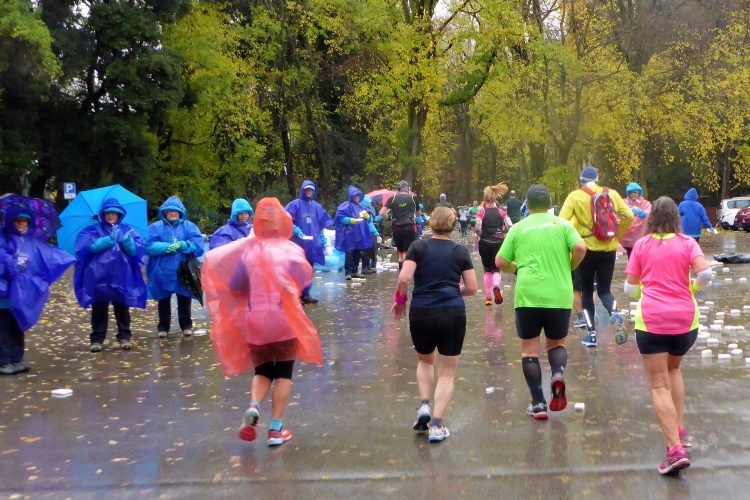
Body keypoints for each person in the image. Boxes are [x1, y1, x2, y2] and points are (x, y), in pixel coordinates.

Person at [202, 197, 322, 446]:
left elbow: (235, 285)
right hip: (284, 318)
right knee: (284, 373)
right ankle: (275, 430)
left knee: (263, 370)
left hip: (255, 319)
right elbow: (303, 280)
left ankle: (254, 406)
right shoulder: (291, 250)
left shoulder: (249, 252)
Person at [623, 196, 711, 474]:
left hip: (652, 322)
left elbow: (629, 290)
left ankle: (674, 450)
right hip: (685, 321)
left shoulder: (642, 245)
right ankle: (679, 429)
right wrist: (692, 286)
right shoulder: (687, 243)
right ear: (676, 218)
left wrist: (646, 289)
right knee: (674, 369)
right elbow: (706, 275)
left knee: (659, 385)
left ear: (651, 219)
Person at [497, 185, 586, 419]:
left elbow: (500, 261)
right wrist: (571, 266)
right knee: (556, 344)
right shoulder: (563, 225)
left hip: (528, 295)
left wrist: (516, 269)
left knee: (529, 351)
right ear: (550, 203)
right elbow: (580, 247)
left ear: (527, 204)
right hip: (558, 293)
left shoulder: (518, 228)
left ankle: (538, 404)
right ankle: (557, 374)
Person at [392, 207, 478, 442]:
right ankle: (437, 425)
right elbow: (472, 288)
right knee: (447, 371)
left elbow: (404, 277)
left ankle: (424, 405)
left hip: (421, 311)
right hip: (452, 312)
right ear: (453, 224)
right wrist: (454, 290)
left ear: (431, 223)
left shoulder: (418, 247)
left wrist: (400, 301)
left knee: (425, 360)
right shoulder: (459, 251)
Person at [559, 167, 633, 348]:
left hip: (586, 249)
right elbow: (628, 215)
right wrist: (616, 235)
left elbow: (562, 222)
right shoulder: (612, 194)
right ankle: (614, 312)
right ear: (598, 179)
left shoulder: (575, 196)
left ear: (581, 180)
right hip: (609, 248)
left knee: (586, 291)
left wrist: (571, 241)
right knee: (604, 290)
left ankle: (591, 335)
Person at [0, 204, 75, 374]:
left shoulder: (30, 242)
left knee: (17, 326)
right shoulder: (3, 239)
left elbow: (48, 256)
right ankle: (3, 362)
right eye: (17, 221)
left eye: (24, 221)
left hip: (21, 294)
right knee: (3, 328)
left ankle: (16, 359)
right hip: (3, 294)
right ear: (10, 221)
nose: (21, 224)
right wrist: (10, 264)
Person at [74, 198, 147, 352]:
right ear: (103, 214)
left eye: (114, 213)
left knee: (122, 305)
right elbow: (87, 248)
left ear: (119, 214)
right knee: (99, 307)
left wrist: (128, 243)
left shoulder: (127, 229)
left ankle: (125, 336)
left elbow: (136, 252)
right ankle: (97, 339)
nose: (110, 215)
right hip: (98, 274)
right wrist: (106, 240)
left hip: (121, 274)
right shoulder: (92, 230)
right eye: (107, 213)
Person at [145, 196, 205, 338]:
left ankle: (186, 326)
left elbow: (198, 246)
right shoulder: (155, 227)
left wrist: (185, 245)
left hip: (184, 269)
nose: (172, 213)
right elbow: (148, 245)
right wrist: (166, 247)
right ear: (164, 212)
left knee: (184, 297)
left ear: (180, 212)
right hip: (162, 270)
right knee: (163, 299)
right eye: (170, 211)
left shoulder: (189, 226)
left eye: (175, 211)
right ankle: (163, 327)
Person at [285, 180, 334, 304]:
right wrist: (296, 230)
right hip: (297, 245)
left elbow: (321, 226)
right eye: (306, 190)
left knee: (308, 270)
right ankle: (295, 296)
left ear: (314, 191)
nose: (308, 192)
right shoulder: (294, 205)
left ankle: (305, 295)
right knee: (296, 271)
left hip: (312, 246)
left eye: (311, 190)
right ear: (303, 190)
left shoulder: (316, 207)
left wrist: (324, 243)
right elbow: (287, 221)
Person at [474, 183, 512, 306]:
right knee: (496, 269)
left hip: (485, 242)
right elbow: (510, 226)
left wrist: (479, 233)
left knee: (487, 269)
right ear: (495, 198)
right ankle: (496, 285)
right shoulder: (501, 212)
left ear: (484, 198)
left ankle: (489, 297)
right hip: (499, 242)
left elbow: (477, 227)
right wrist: (502, 232)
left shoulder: (481, 213)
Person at [379, 181, 421, 271]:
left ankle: (401, 273)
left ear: (398, 189)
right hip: (409, 226)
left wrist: (389, 219)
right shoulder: (413, 198)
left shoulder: (393, 198)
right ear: (408, 189)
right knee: (407, 252)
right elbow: (418, 215)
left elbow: (382, 213)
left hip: (397, 227)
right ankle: (407, 273)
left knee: (400, 253)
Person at [335, 186, 373, 280]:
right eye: (355, 196)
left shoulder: (361, 206)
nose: (357, 198)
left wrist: (367, 217)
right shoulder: (345, 206)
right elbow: (340, 218)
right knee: (349, 253)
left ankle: (355, 271)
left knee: (357, 253)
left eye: (358, 196)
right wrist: (349, 220)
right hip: (349, 234)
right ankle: (348, 272)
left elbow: (368, 220)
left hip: (359, 234)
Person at [620, 183, 652, 258]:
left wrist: (642, 213)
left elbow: (650, 214)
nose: (633, 194)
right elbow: (618, 214)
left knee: (641, 256)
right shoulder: (623, 203)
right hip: (627, 236)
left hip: (640, 235)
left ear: (639, 193)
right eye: (631, 192)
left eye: (635, 192)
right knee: (630, 255)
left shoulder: (645, 203)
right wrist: (627, 213)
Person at [360, 196, 382, 274]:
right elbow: (369, 223)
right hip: (366, 233)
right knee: (366, 250)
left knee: (370, 250)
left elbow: (371, 221)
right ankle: (365, 267)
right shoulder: (364, 211)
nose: (370, 204)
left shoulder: (369, 210)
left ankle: (368, 266)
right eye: (369, 203)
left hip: (368, 233)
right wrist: (375, 231)